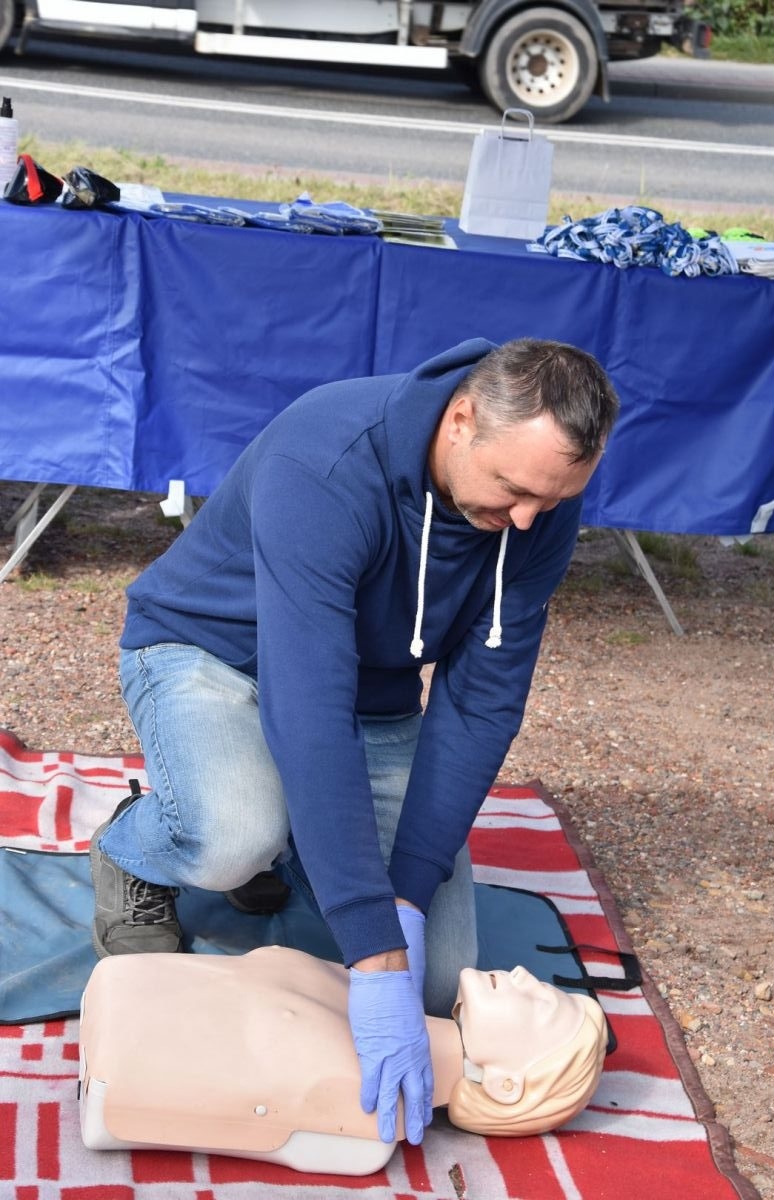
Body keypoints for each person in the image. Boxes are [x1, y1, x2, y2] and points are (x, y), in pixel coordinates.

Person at [89, 336, 619, 1148]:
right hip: (211, 654)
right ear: (462, 419)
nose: (525, 520)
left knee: (439, 982)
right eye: (513, 490)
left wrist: (402, 898)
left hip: (368, 695)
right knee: (234, 836)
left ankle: (294, 842)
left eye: (549, 502)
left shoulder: (538, 498)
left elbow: (480, 707)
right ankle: (136, 848)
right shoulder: (328, 461)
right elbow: (309, 707)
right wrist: (371, 956)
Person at [79, 947, 609, 1173]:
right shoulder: (356, 991)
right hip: (124, 1000)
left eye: (541, 1005)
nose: (523, 974)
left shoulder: (370, 1113)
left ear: (506, 1086)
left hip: (119, 1057)